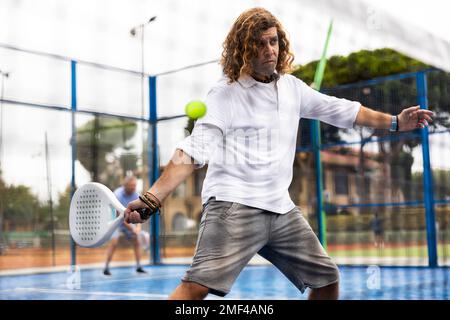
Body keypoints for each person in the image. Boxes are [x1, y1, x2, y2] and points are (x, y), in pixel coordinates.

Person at [123, 8, 434, 299]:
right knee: (195, 290)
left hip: (280, 209)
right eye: (259, 44)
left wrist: (394, 122)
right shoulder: (225, 93)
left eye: (273, 41)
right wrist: (152, 197)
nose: (269, 50)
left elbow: (341, 110)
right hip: (233, 206)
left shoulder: (292, 88)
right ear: (243, 50)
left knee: (327, 279)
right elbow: (193, 149)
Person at [103, 175, 147, 276]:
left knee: (137, 240)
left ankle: (139, 266)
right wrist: (132, 229)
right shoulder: (117, 195)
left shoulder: (136, 195)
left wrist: (138, 228)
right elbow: (119, 217)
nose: (133, 187)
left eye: (134, 185)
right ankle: (106, 268)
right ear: (125, 185)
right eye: (131, 185)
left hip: (128, 221)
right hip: (115, 222)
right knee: (114, 242)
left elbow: (140, 215)